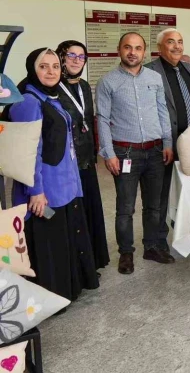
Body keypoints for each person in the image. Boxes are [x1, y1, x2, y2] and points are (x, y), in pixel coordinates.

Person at [10, 48, 99, 299]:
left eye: (55, 67)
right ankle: (52, 295)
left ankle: (68, 289)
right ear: (32, 69)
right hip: (44, 190)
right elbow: (29, 152)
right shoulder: (28, 102)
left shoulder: (52, 97)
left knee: (64, 238)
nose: (51, 72)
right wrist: (35, 192)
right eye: (43, 66)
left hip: (64, 184)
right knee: (50, 241)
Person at [97, 32, 175, 274]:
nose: (133, 52)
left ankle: (151, 246)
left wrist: (168, 142)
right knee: (125, 208)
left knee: (154, 206)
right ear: (119, 50)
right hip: (124, 152)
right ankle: (126, 253)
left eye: (138, 48)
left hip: (155, 151)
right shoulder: (107, 82)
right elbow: (102, 119)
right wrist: (108, 153)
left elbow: (163, 111)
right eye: (128, 47)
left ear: (144, 52)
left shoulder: (154, 78)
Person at [146, 28, 190, 251]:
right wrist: (165, 141)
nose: (177, 46)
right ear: (160, 47)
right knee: (161, 193)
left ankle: (184, 232)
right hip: (166, 143)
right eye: (171, 42)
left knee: (186, 191)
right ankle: (158, 238)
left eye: (180, 42)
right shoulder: (150, 72)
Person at [55, 40, 110, 272]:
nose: (77, 60)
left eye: (81, 57)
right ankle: (75, 265)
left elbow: (88, 121)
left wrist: (95, 155)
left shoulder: (85, 86)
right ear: (60, 57)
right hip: (66, 162)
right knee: (73, 211)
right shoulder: (52, 87)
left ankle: (91, 260)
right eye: (71, 55)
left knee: (88, 208)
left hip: (86, 158)